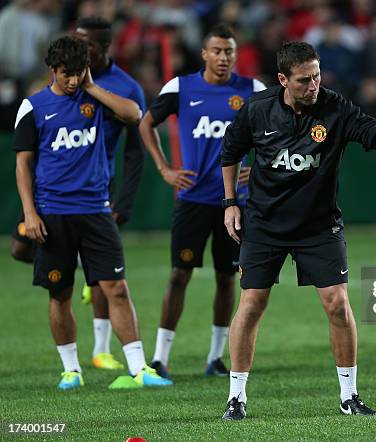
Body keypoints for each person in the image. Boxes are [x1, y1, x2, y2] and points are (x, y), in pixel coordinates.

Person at [219, 41, 376, 420]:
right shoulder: (257, 111)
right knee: (251, 304)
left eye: (317, 76)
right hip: (264, 224)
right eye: (304, 80)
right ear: (282, 79)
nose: (314, 85)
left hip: (319, 225)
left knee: (337, 304)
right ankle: (236, 396)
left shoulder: (335, 108)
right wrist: (230, 204)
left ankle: (349, 396)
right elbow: (230, 153)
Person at [13, 35, 171, 389]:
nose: (72, 80)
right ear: (53, 70)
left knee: (116, 287)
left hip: (96, 210)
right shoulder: (33, 107)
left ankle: (138, 368)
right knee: (60, 292)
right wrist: (29, 213)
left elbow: (134, 114)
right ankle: (71, 369)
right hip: (52, 212)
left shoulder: (97, 100)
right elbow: (23, 165)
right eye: (66, 74)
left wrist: (91, 86)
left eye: (78, 72)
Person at [139, 24, 265, 379]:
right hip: (193, 199)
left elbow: (281, 132)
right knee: (180, 274)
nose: (223, 57)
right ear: (204, 54)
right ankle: (160, 358)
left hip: (234, 203)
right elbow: (146, 124)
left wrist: (258, 168)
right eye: (217, 51)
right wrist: (164, 168)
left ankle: (215, 357)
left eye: (229, 51)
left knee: (228, 278)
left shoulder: (253, 91)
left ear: (235, 55)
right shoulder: (181, 88)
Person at [74, 16, 147, 371]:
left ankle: (101, 350)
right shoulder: (64, 76)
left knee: (107, 277)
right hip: (55, 188)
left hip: (99, 189)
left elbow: (135, 150)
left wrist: (125, 201)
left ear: (104, 47)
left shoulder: (126, 87)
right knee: (21, 248)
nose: (79, 49)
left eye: (86, 44)